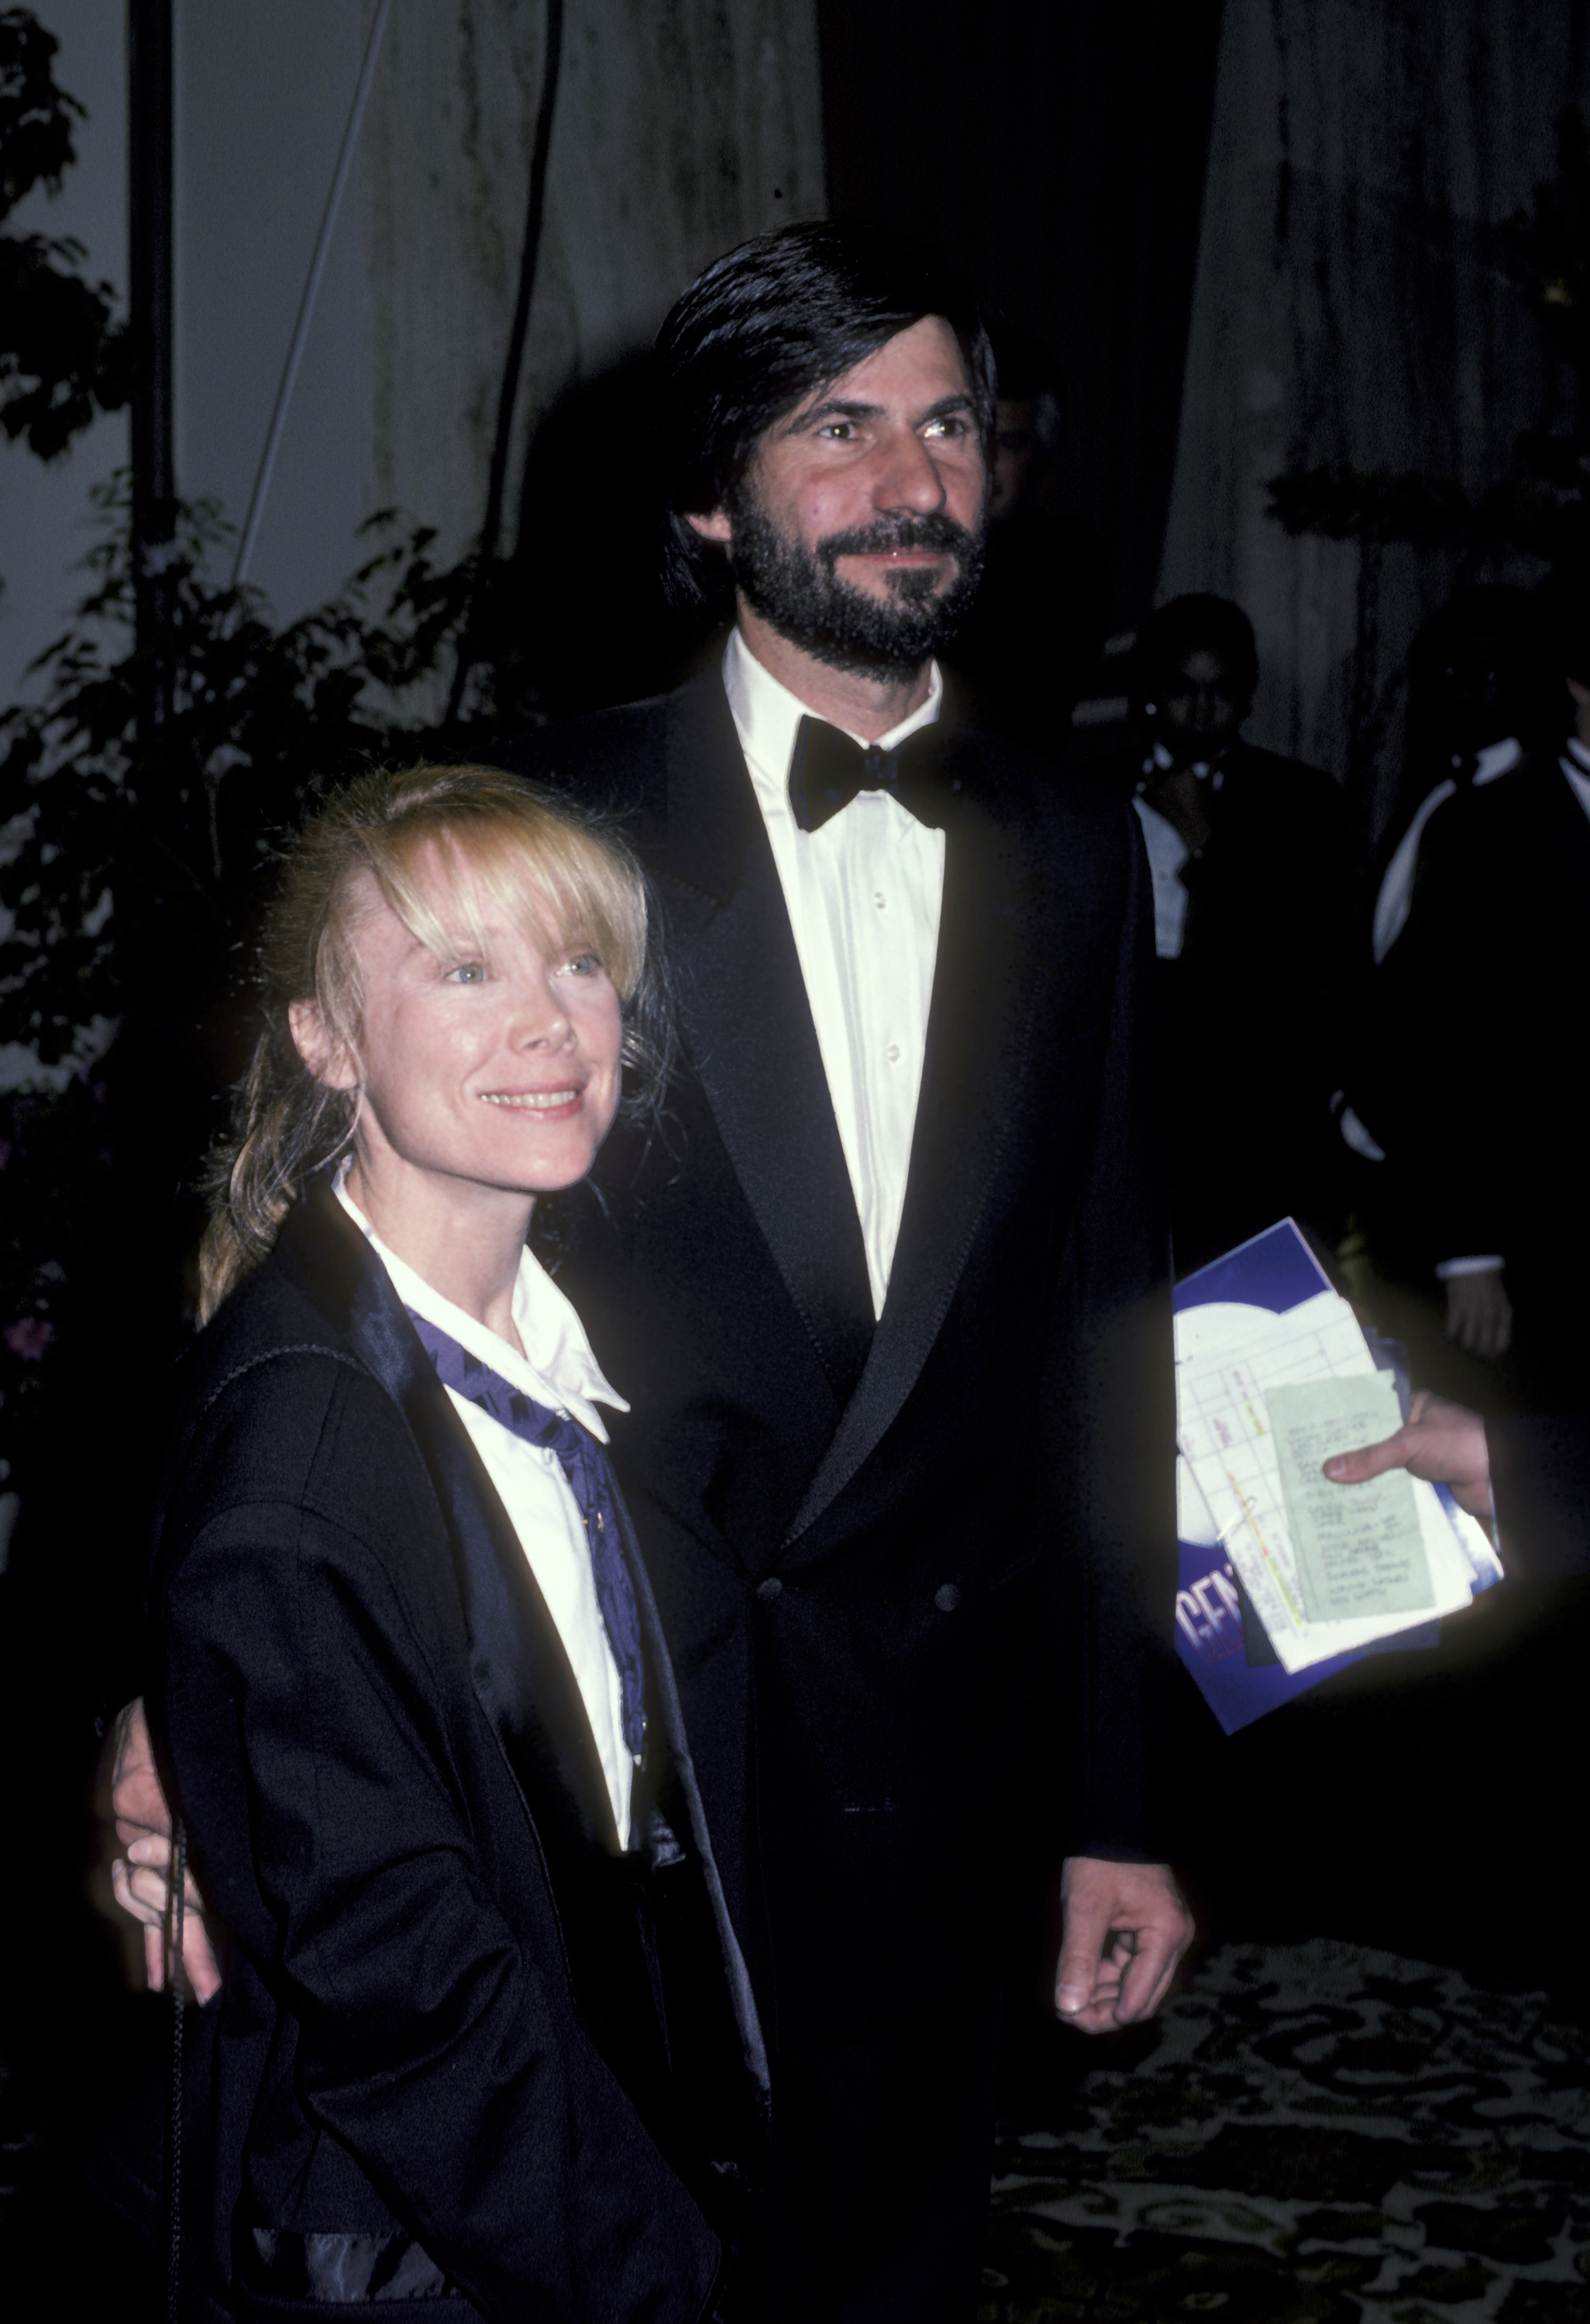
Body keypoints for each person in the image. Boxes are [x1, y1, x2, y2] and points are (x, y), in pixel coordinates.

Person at [117, 222, 1192, 2323]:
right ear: (712, 499)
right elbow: (305, 1243)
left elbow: (1105, 1337)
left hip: (935, 1770)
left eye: (949, 422)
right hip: (604, 1784)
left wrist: (1114, 1800)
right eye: (837, 428)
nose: (912, 480)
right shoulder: (535, 815)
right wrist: (167, 1696)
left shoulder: (1076, 849)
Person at [118, 765, 764, 2322]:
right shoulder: (312, 1447)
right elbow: (410, 2007)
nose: (551, 1020)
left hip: (604, 2135)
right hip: (434, 2252)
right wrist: (654, 2282)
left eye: (580, 961)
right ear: (326, 1039)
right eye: (467, 969)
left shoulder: (580, 1344)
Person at [1342, 569, 1590, 1410]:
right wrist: (1470, 1246)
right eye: (1450, 672)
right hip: (1509, 1229)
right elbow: (1450, 1035)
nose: (1462, 692)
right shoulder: (1492, 816)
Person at [1094, 593, 1353, 1274]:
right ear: (1150, 692)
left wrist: (1206, 845)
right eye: (1182, 691)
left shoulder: (1303, 802)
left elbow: (1307, 959)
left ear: (1248, 696)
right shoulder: (1089, 790)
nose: (1203, 713)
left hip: (1245, 1104)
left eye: (1222, 692)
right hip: (1122, 1089)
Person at [943, 322, 1110, 741]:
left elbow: (1012, 714)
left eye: (1009, 444)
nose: (984, 461)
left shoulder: (1064, 562)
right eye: (968, 434)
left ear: (1042, 458)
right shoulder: (889, 538)